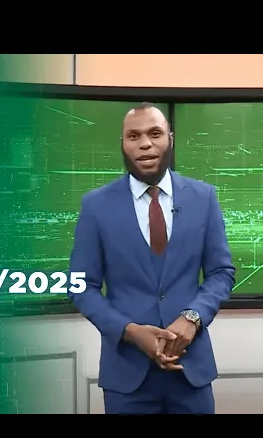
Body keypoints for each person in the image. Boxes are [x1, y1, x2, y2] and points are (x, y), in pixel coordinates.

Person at [68, 102, 235, 414]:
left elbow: (221, 272)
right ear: (122, 144)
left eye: (154, 134)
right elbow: (81, 286)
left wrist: (192, 318)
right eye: (134, 136)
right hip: (127, 377)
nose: (145, 143)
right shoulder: (96, 206)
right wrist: (129, 331)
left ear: (170, 139)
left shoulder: (203, 198)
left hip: (190, 372)